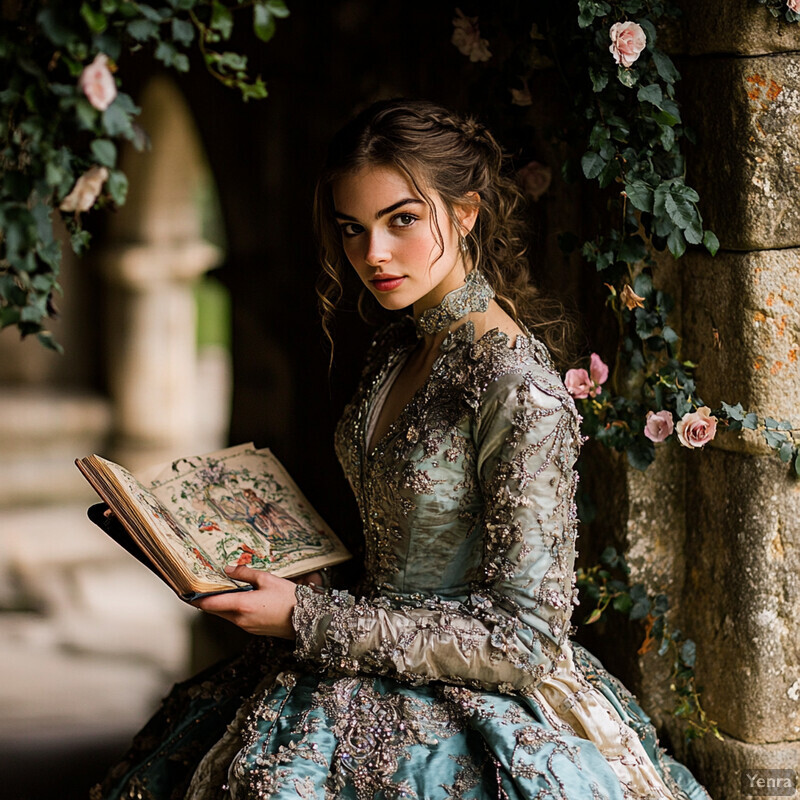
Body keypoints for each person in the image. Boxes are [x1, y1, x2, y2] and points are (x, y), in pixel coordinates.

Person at [93, 99, 711, 800]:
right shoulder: (401, 347)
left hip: (464, 700)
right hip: (352, 645)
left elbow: (524, 641)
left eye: (402, 220)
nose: (372, 255)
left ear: (467, 210)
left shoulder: (519, 390)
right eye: (353, 229)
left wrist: (306, 617)